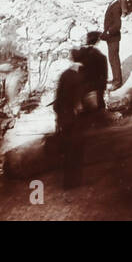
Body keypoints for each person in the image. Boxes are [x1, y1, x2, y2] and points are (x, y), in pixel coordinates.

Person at [52, 56, 87, 188]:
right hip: (74, 120)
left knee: (67, 151)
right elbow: (80, 105)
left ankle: (67, 182)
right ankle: (76, 181)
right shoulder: (80, 77)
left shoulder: (64, 75)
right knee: (77, 150)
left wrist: (59, 117)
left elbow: (57, 101)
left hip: (63, 117)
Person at [73, 37, 109, 114]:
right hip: (95, 83)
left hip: (90, 84)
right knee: (98, 101)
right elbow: (104, 73)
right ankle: (100, 114)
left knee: (91, 102)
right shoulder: (101, 56)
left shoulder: (85, 57)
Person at [102, 0, 126, 90]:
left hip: (113, 38)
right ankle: (115, 78)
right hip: (110, 38)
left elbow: (117, 25)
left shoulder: (116, 7)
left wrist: (107, 32)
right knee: (112, 59)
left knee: (114, 59)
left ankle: (117, 82)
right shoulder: (112, 4)